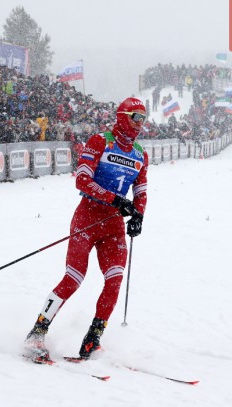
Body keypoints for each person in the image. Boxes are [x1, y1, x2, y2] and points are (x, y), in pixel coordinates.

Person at [25, 97, 149, 363]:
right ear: (122, 116)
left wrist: (139, 216)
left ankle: (93, 339)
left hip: (114, 225)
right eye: (136, 117)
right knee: (74, 278)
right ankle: (37, 332)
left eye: (143, 118)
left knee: (114, 279)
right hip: (88, 218)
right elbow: (82, 181)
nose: (140, 124)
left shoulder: (140, 153)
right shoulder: (100, 141)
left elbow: (140, 190)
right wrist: (114, 199)